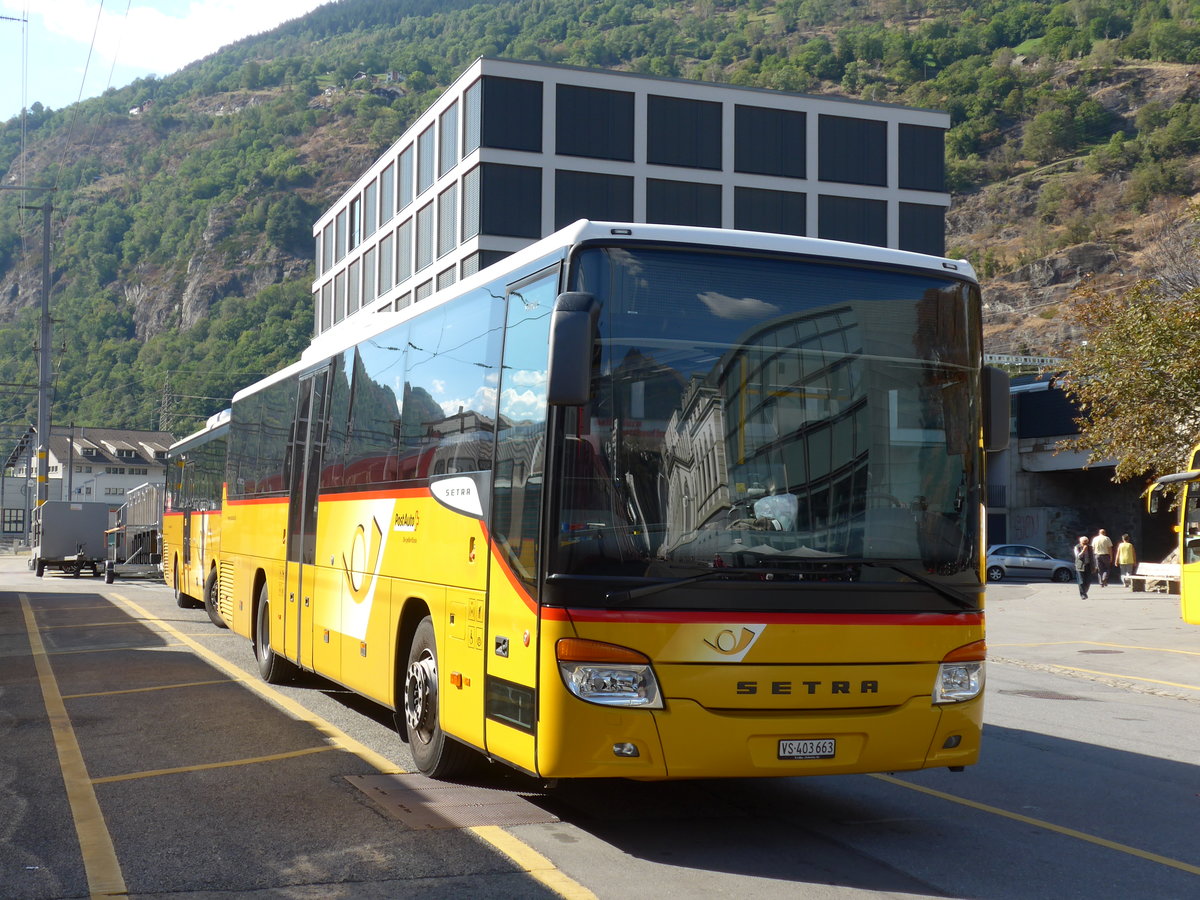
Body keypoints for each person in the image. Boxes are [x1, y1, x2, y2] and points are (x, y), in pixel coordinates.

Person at [1074, 535, 1095, 599]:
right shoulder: (1077, 547)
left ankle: (1085, 591)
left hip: (1088, 565)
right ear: (1080, 542)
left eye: (1086, 543)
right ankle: (1083, 594)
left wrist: (1094, 566)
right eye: (1084, 543)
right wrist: (1083, 550)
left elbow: (1093, 557)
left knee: (1088, 581)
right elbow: (1078, 556)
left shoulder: (1090, 547)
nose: (1085, 544)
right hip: (1080, 566)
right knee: (1081, 581)